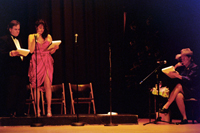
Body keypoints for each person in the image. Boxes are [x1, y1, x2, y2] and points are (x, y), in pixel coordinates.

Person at [28, 19, 59, 117]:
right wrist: (35, 39)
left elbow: (50, 51)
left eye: (42, 27)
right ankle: (38, 109)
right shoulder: (31, 36)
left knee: (48, 84)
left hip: (47, 61)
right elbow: (31, 50)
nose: (41, 29)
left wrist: (55, 48)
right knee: (36, 86)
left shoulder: (48, 36)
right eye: (39, 27)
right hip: (36, 61)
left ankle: (49, 109)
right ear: (36, 27)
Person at [160, 48, 199, 124]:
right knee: (178, 96)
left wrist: (178, 76)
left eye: (184, 59)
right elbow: (178, 77)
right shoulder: (183, 68)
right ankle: (185, 118)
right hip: (186, 90)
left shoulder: (194, 67)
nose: (183, 61)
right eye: (182, 59)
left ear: (190, 58)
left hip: (193, 90)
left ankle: (166, 106)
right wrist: (175, 68)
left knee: (179, 86)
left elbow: (189, 80)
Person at [0, 20, 28, 117]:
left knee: (22, 91)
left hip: (21, 69)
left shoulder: (20, 40)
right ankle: (9, 112)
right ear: (10, 29)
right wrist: (11, 53)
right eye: (15, 29)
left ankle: (20, 111)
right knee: (12, 91)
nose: (17, 31)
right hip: (11, 70)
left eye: (19, 29)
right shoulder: (4, 39)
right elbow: (2, 54)